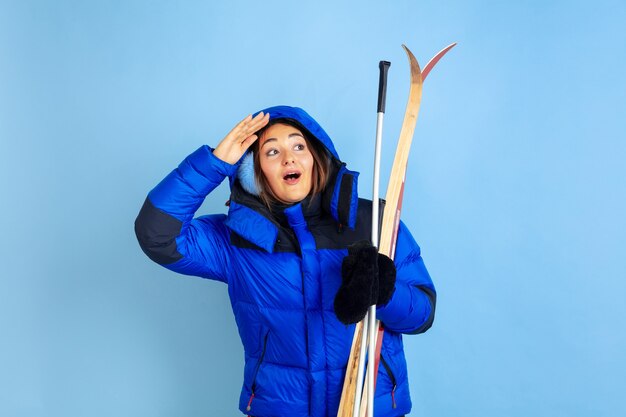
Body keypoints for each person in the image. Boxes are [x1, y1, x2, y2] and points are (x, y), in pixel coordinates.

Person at [135, 105, 436, 417]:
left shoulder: (373, 223)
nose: (289, 158)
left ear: (316, 158)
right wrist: (214, 164)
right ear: (253, 172)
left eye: (298, 146)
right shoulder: (235, 240)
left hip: (370, 407)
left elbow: (422, 315)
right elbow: (155, 235)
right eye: (271, 152)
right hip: (279, 409)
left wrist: (385, 292)